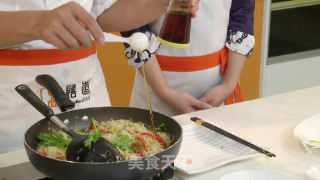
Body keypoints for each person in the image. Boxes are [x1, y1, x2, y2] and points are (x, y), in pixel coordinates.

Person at [0, 0, 199, 154]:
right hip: (11, 100)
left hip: (85, 88)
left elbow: (102, 12)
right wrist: (35, 23)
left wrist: (162, 2)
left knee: (104, 157)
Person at [121, 0, 255, 116]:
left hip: (218, 91)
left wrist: (228, 84)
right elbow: (133, 27)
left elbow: (242, 17)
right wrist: (165, 92)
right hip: (156, 95)